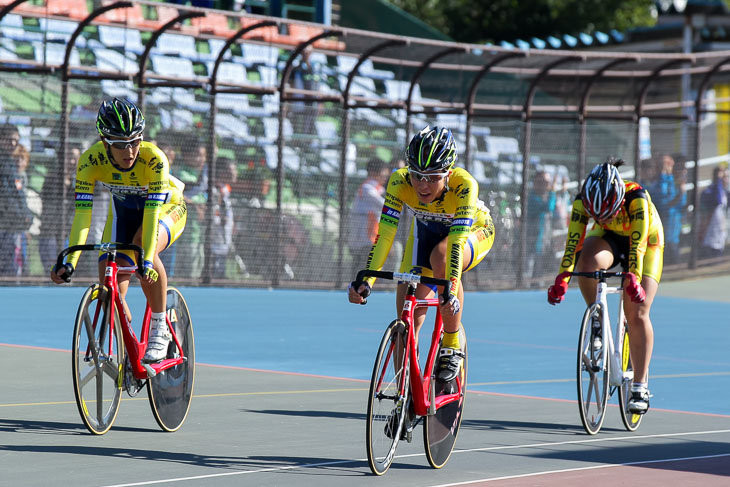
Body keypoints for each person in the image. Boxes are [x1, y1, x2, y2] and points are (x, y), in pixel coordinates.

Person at [348, 125, 495, 384]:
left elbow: (457, 244)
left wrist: (448, 292)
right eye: (417, 175)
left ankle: (451, 345)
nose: (423, 185)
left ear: (448, 173)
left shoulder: (464, 185)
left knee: (442, 256)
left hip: (473, 231)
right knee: (406, 322)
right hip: (425, 235)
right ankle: (403, 398)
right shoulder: (399, 181)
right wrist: (366, 281)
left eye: (433, 177)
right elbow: (385, 235)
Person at [50, 98, 187, 363]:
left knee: (142, 247)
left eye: (135, 141)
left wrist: (145, 261)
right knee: (110, 288)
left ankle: (160, 327)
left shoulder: (154, 159)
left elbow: (150, 216)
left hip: (165, 209)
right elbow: (82, 216)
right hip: (122, 215)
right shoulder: (90, 161)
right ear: (105, 143)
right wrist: (70, 263)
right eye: (121, 144)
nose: (130, 150)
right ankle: (131, 350)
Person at [547, 158, 664, 415]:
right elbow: (573, 245)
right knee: (587, 261)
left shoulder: (638, 200)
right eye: (595, 214)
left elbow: (638, 247)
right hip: (608, 239)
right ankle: (597, 321)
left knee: (638, 311)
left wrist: (633, 277)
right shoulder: (582, 202)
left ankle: (640, 385)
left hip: (646, 243)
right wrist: (562, 279)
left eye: (606, 213)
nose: (600, 217)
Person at [347, 157, 390, 278]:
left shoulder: (377, 189)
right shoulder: (367, 189)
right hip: (364, 237)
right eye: (383, 174)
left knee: (370, 266)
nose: (385, 178)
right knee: (362, 268)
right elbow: (384, 205)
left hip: (371, 236)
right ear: (372, 173)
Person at [0, 123, 33, 275]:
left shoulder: (11, 163)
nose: (13, 143)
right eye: (9, 140)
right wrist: (21, 215)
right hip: (5, 222)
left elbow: (18, 193)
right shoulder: (3, 164)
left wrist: (26, 214)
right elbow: (6, 196)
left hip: (12, 224)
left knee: (10, 263)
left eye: (16, 140)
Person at [698, 165, 729, 259]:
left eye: (727, 177)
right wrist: (718, 181)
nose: (726, 180)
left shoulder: (726, 193)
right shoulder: (709, 192)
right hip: (710, 235)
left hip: (721, 234)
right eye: (723, 177)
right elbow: (717, 200)